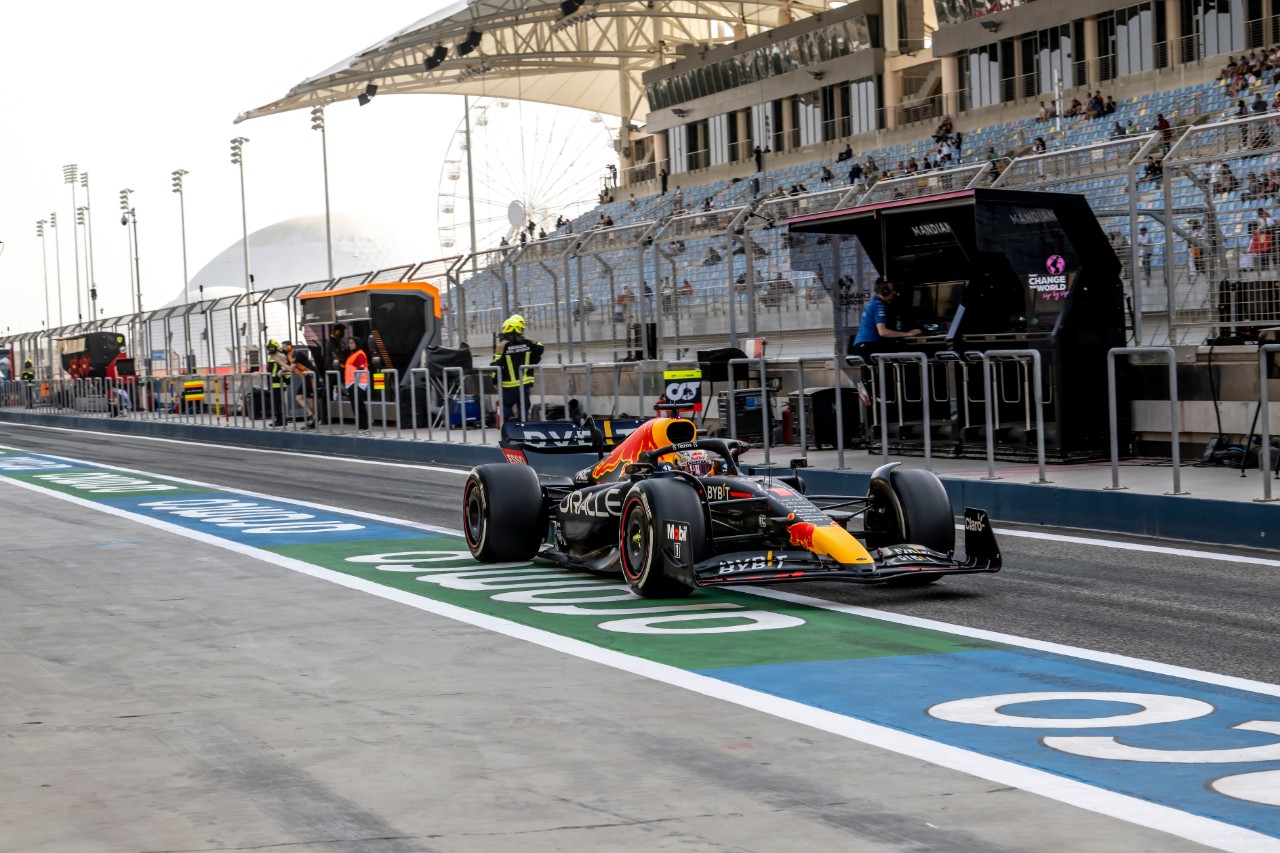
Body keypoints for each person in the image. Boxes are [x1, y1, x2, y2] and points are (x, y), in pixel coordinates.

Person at [493, 314, 543, 422]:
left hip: (508, 385)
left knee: (506, 406)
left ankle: (510, 425)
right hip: (524, 383)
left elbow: (496, 364)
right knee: (523, 406)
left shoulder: (502, 345)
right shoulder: (527, 342)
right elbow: (540, 347)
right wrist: (534, 359)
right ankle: (522, 427)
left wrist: (494, 380)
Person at [284, 341, 318, 429]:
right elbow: (288, 366)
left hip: (311, 375)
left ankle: (313, 419)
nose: (282, 348)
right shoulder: (289, 356)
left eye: (284, 346)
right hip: (305, 376)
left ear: (289, 346)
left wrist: (280, 362)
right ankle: (312, 416)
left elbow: (291, 368)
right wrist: (282, 370)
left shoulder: (297, 354)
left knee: (309, 398)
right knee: (299, 397)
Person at [343, 336, 371, 435]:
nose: (350, 345)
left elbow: (360, 370)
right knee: (356, 405)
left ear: (357, 344)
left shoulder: (359, 355)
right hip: (352, 383)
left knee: (358, 404)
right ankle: (361, 425)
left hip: (358, 383)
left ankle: (364, 425)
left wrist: (355, 383)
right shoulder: (353, 354)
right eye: (349, 343)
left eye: (352, 343)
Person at [265, 340, 290, 427]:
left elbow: (285, 368)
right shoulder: (272, 356)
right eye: (269, 347)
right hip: (272, 383)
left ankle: (282, 420)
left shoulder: (280, 355)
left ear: (276, 347)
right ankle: (279, 419)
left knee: (278, 402)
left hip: (279, 383)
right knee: (275, 402)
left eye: (272, 347)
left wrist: (282, 373)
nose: (270, 349)